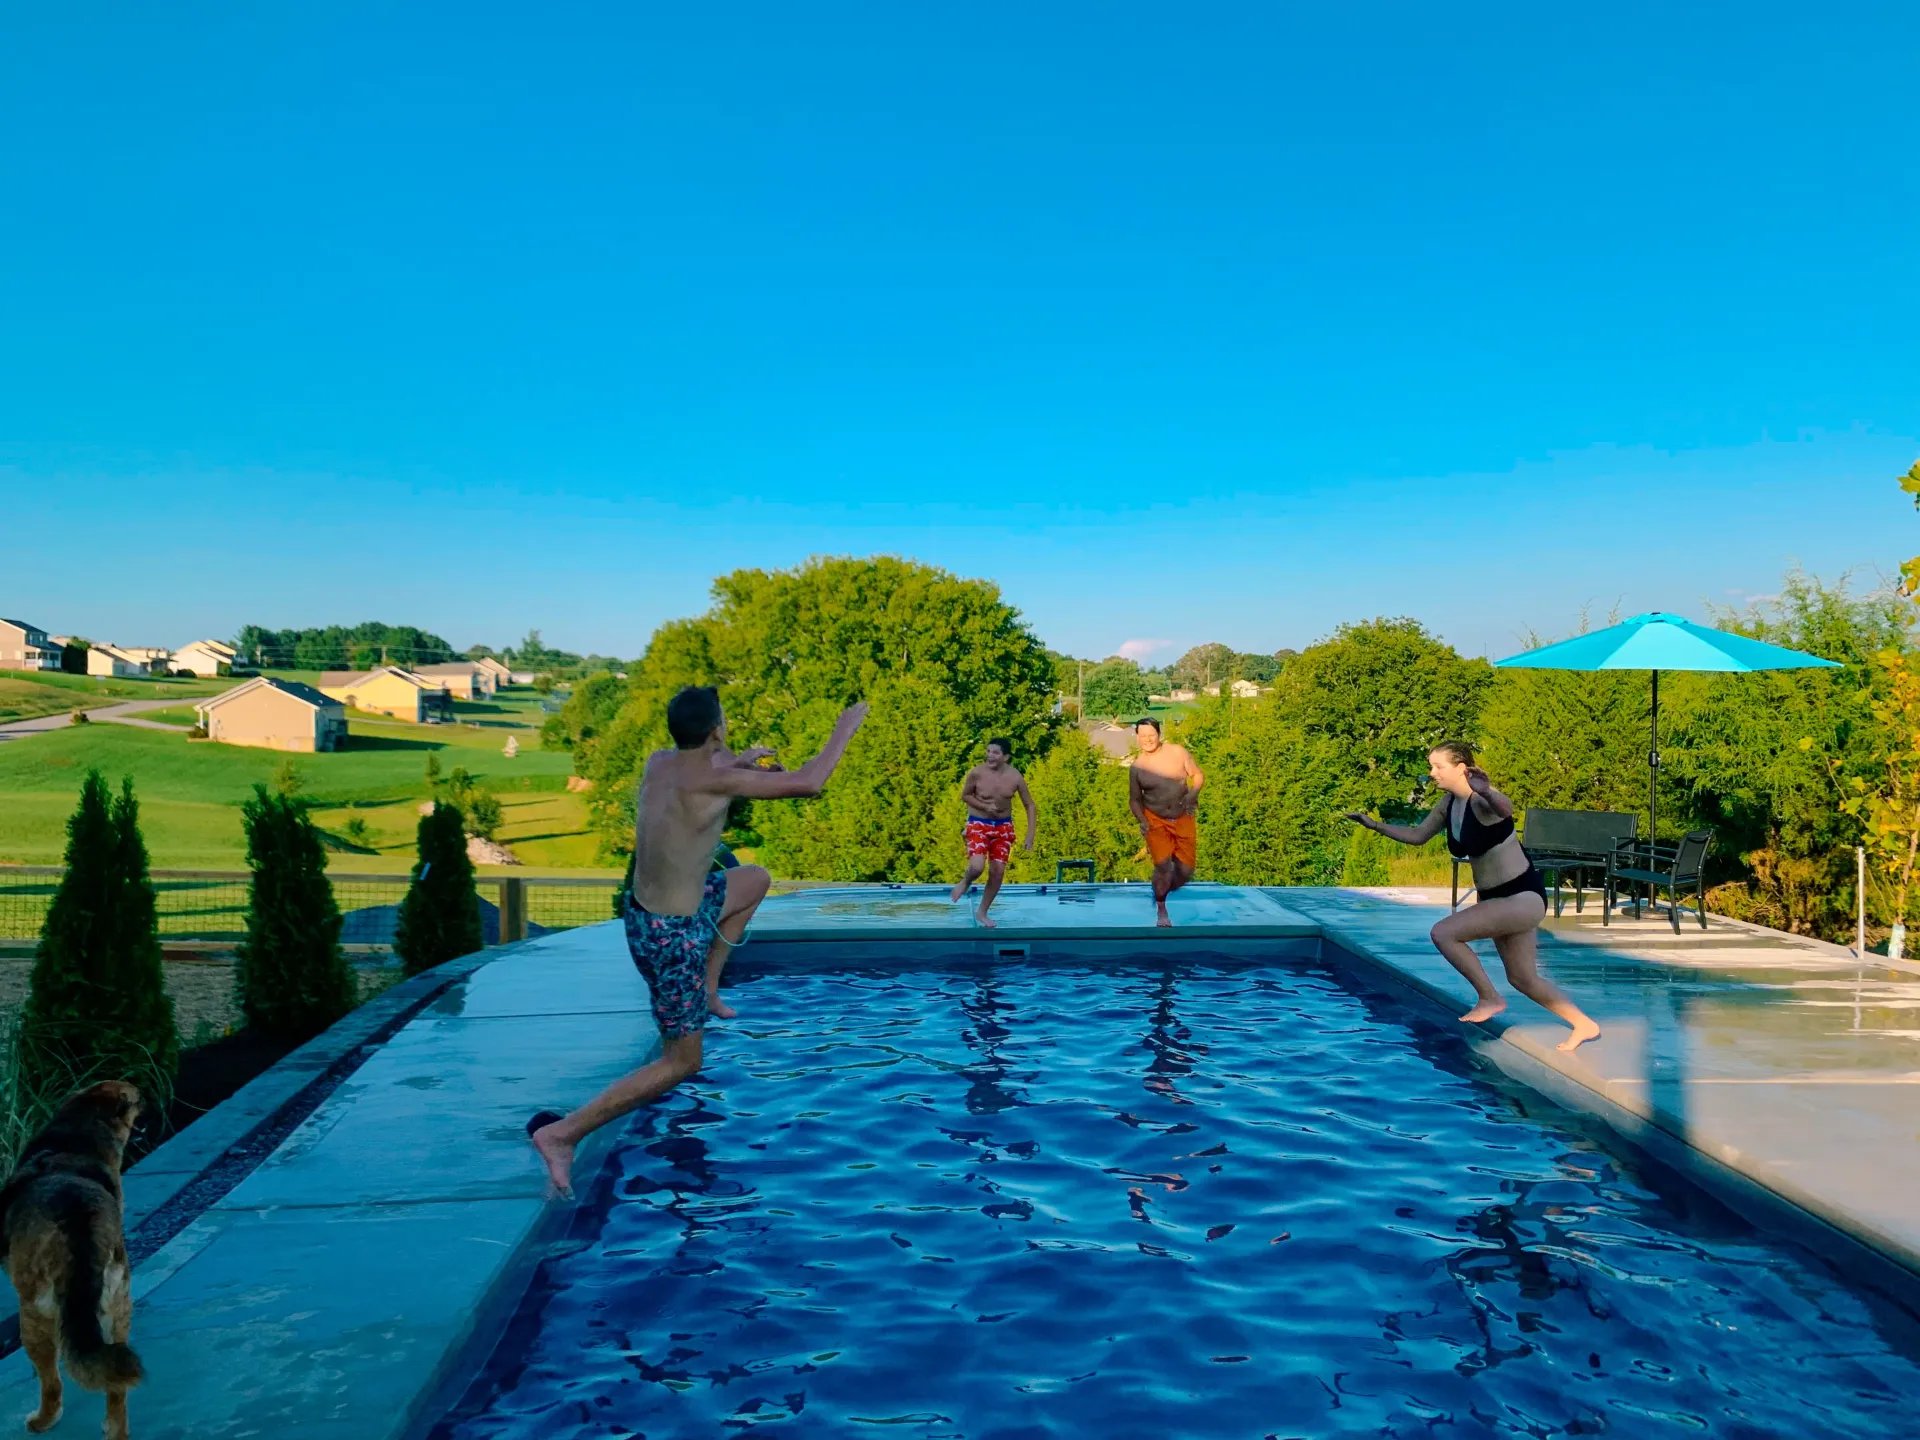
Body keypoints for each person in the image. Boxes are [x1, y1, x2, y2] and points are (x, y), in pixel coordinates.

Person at [528, 686, 869, 1194]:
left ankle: (709, 990)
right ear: (715, 728)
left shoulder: (660, 762)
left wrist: (744, 760)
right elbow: (810, 782)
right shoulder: (713, 778)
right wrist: (846, 727)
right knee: (683, 1062)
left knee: (752, 879)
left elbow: (710, 771)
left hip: (653, 913)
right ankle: (563, 1134)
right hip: (670, 936)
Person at [1343, 741, 1601, 1053]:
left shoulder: (1482, 800)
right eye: (1431, 766)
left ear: (1461, 769)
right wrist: (1374, 826)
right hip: (1498, 899)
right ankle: (1583, 1024)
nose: (1432, 773)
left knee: (1444, 933)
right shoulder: (1449, 803)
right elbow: (1418, 836)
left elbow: (1506, 811)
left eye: (1438, 767)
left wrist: (1488, 790)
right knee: (1523, 978)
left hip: (1521, 895)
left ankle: (1490, 998)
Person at [947, 737, 1038, 927]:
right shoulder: (977, 773)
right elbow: (965, 796)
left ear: (1006, 757)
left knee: (997, 872)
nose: (990, 755)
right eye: (988, 751)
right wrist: (984, 806)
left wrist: (1030, 835)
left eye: (995, 752)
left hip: (1003, 826)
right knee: (978, 867)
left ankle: (982, 912)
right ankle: (965, 882)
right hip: (978, 822)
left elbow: (1030, 805)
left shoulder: (1015, 777)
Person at [1128, 716, 1204, 927]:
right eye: (1143, 736)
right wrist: (1142, 820)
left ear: (1159, 735)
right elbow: (1134, 799)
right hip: (1155, 819)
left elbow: (1197, 775)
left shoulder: (1177, 752)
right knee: (1163, 866)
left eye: (1151, 735)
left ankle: (1159, 889)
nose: (1147, 740)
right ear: (1137, 737)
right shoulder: (1137, 767)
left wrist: (1193, 794)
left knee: (1185, 872)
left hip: (1183, 817)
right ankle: (1162, 909)